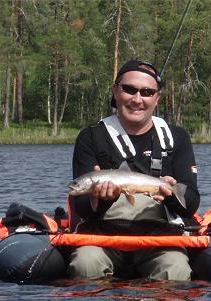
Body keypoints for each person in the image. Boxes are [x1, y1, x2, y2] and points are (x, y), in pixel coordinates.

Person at [68, 60, 200, 281]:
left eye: (147, 92)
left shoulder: (176, 138)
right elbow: (81, 207)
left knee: (176, 269)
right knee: (85, 263)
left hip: (159, 239)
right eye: (129, 89)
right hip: (102, 238)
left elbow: (191, 203)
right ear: (115, 91)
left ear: (157, 98)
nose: (137, 99)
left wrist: (170, 197)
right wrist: (99, 199)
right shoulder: (91, 137)